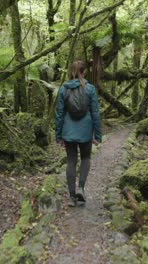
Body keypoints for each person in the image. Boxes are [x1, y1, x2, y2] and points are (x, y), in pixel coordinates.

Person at [55, 60, 102, 207]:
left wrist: (58, 135)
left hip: (68, 131)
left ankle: (71, 196)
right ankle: (81, 188)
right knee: (86, 157)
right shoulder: (90, 89)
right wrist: (98, 135)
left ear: (71, 72)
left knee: (71, 161)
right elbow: (95, 113)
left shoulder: (63, 89)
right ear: (84, 72)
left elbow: (59, 114)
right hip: (86, 131)